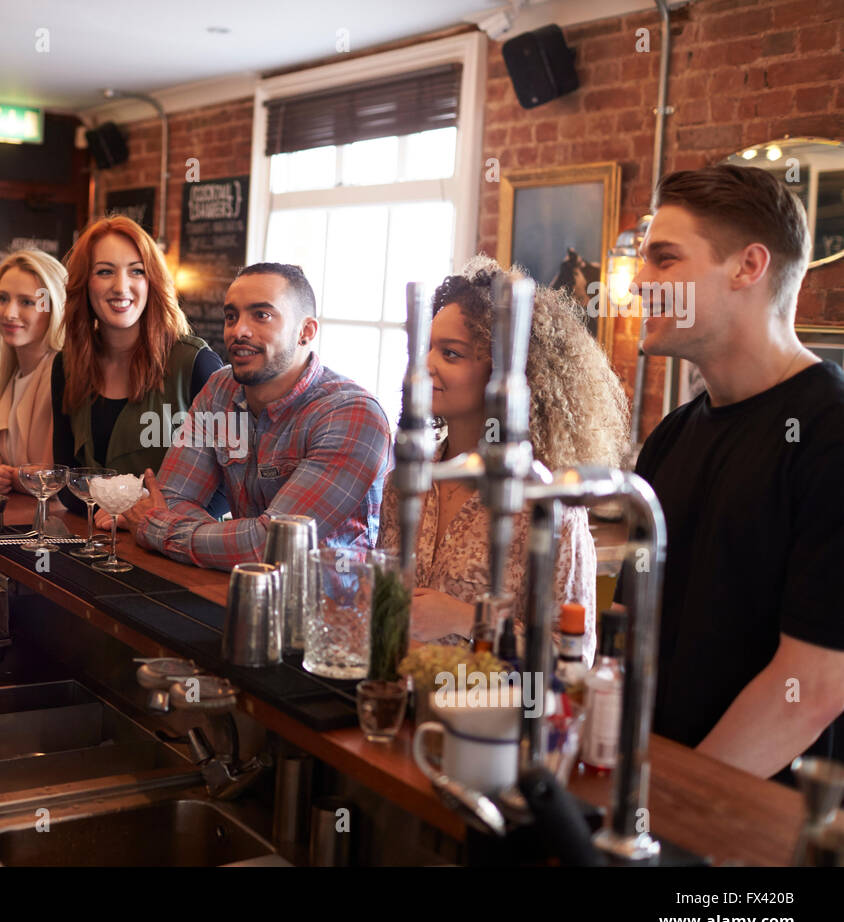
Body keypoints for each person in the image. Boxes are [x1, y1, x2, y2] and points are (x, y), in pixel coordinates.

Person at [624, 163, 844, 780]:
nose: (638, 283)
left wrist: (673, 808)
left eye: (663, 260)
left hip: (761, 838)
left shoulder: (830, 433)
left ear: (749, 267)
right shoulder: (670, 438)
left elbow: (816, 682)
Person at [376, 258, 628, 657]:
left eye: (451, 354)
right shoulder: (406, 483)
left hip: (488, 713)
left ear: (508, 373)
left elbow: (571, 654)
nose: (426, 365)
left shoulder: (548, 503)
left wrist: (465, 617)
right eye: (425, 347)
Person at [122, 262, 392, 570]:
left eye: (261, 315)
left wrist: (157, 527)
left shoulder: (352, 415)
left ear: (305, 332)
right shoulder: (220, 390)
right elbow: (170, 499)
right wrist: (233, 543)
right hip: (237, 593)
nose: (239, 331)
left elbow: (270, 545)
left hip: (331, 610)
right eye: (231, 316)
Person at [50, 215, 223, 514]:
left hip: (177, 550)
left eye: (137, 272)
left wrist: (150, 515)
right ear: (84, 284)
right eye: (104, 272)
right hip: (99, 543)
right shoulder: (66, 365)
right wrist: (112, 515)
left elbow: (230, 487)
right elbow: (67, 481)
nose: (121, 286)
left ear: (152, 282)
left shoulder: (197, 363)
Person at [0, 248, 67, 495]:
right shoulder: (13, 375)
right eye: (2, 299)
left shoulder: (62, 372)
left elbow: (49, 479)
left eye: (26, 302)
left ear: (55, 308)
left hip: (52, 527)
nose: (9, 313)